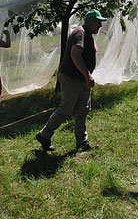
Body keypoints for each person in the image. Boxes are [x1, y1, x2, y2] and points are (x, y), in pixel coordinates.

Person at [36, 9, 107, 152]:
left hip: (82, 79)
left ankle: (82, 142)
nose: (100, 26)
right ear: (90, 21)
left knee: (83, 110)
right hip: (72, 78)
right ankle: (44, 135)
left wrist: (87, 77)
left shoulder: (88, 34)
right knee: (66, 110)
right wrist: (87, 75)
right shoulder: (80, 32)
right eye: (98, 22)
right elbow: (75, 54)